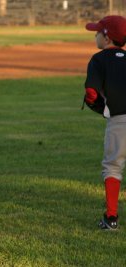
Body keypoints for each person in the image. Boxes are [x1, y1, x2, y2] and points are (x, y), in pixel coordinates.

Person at [84, 15, 126, 230]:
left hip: (120, 120)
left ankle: (111, 219)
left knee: (113, 167)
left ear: (107, 38)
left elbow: (91, 93)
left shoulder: (98, 59)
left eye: (98, 31)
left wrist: (99, 106)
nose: (95, 34)